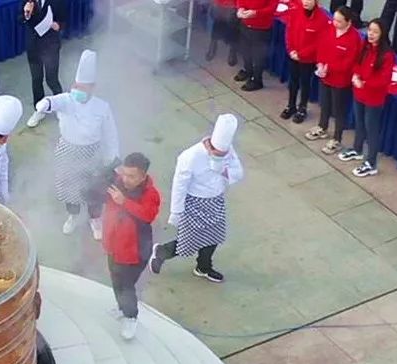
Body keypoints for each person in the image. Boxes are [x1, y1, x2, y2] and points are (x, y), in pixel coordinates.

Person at [32, 49, 119, 238]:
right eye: (77, 86)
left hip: (93, 152)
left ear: (92, 87)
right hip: (68, 151)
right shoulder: (66, 100)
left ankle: (95, 220)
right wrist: (44, 105)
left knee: (95, 189)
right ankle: (72, 216)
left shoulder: (102, 107)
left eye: (84, 87)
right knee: (69, 186)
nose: (79, 90)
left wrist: (112, 157)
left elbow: (110, 134)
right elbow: (51, 102)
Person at [149, 114, 243, 283]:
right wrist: (176, 212)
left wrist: (221, 168)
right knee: (190, 239)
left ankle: (203, 267)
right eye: (217, 153)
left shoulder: (228, 151)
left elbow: (238, 172)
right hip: (194, 202)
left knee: (213, 236)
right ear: (210, 145)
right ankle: (162, 252)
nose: (221, 155)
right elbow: (179, 185)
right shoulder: (190, 156)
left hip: (215, 201)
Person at [97, 153, 160, 340]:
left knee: (126, 285)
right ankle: (122, 307)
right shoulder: (116, 183)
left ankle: (130, 317)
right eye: (124, 174)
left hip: (134, 251)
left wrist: (124, 202)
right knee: (116, 280)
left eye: (131, 176)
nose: (126, 179)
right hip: (114, 245)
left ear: (143, 176)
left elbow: (147, 216)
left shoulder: (151, 194)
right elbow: (94, 195)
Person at [340, 18, 395, 177]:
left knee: (372, 129)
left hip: (373, 98)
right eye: (370, 30)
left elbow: (383, 80)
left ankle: (371, 163)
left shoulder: (387, 55)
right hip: (359, 93)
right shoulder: (365, 46)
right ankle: (357, 149)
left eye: (375, 32)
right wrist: (356, 75)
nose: (371, 34)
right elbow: (357, 63)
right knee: (360, 123)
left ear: (382, 34)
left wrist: (365, 83)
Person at [305, 6, 361, 154]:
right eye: (334, 19)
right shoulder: (329, 29)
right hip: (325, 76)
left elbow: (349, 63)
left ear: (348, 22)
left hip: (340, 81)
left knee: (339, 110)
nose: (335, 23)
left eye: (339, 21)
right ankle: (322, 127)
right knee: (325, 103)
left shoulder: (354, 38)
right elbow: (321, 48)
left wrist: (329, 68)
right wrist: (320, 64)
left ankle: (337, 138)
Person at [281, 0, 329, 123]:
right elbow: (289, 31)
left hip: (308, 59)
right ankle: (291, 105)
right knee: (293, 81)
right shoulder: (295, 12)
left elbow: (319, 42)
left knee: (305, 83)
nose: (306, 2)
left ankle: (302, 108)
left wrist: (301, 54)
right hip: (293, 55)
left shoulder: (322, 18)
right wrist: (291, 50)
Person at [22, 0, 66, 127]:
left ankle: (62, 107)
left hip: (50, 46)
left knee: (52, 79)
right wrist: (27, 13)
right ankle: (39, 110)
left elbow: (63, 19)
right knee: (36, 80)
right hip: (33, 47)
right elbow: (20, 19)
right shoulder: (28, 1)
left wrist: (58, 25)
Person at [234, 0, 276, 91]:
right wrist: (240, 8)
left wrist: (256, 13)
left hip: (261, 28)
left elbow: (272, 8)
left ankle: (257, 80)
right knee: (245, 51)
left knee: (258, 56)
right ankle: (248, 71)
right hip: (245, 24)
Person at [207, 0, 239, 65]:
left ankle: (232, 50)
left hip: (235, 6)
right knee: (217, 24)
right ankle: (213, 45)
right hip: (219, 5)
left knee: (234, 27)